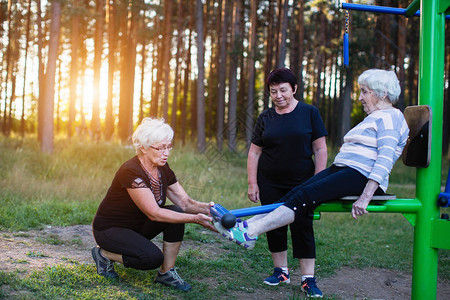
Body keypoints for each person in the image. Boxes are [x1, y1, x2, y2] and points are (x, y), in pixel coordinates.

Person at [216, 69, 409, 298]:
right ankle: (248, 227)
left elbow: (385, 158)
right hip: (343, 170)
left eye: (364, 92)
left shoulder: (391, 117)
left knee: (302, 199)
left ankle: (251, 232)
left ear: (382, 93)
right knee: (298, 194)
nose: (360, 97)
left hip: (359, 175)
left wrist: (366, 195)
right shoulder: (377, 117)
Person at [92, 118, 216, 292]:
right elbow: (154, 213)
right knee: (150, 258)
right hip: (111, 230)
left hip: (137, 227)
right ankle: (103, 254)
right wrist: (195, 219)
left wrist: (211, 209)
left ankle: (167, 272)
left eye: (168, 147)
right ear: (143, 148)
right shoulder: (131, 171)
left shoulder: (162, 168)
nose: (166, 153)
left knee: (176, 212)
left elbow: (185, 203)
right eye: (160, 148)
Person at [247, 68, 328, 292]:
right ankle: (280, 272)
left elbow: (320, 149)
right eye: (273, 91)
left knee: (302, 226)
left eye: (283, 90)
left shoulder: (309, 112)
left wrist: (318, 182)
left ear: (294, 88)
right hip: (269, 181)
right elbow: (254, 152)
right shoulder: (265, 117)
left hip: (303, 183)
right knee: (274, 225)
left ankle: (308, 279)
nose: (279, 95)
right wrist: (252, 182)